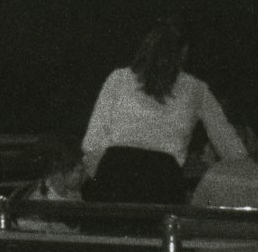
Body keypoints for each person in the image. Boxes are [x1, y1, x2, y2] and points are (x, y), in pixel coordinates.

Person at [80, 19, 246, 204]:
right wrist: (251, 171)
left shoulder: (118, 79)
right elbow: (230, 146)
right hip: (162, 183)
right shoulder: (196, 89)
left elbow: (92, 143)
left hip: (115, 178)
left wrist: (104, 175)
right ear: (183, 53)